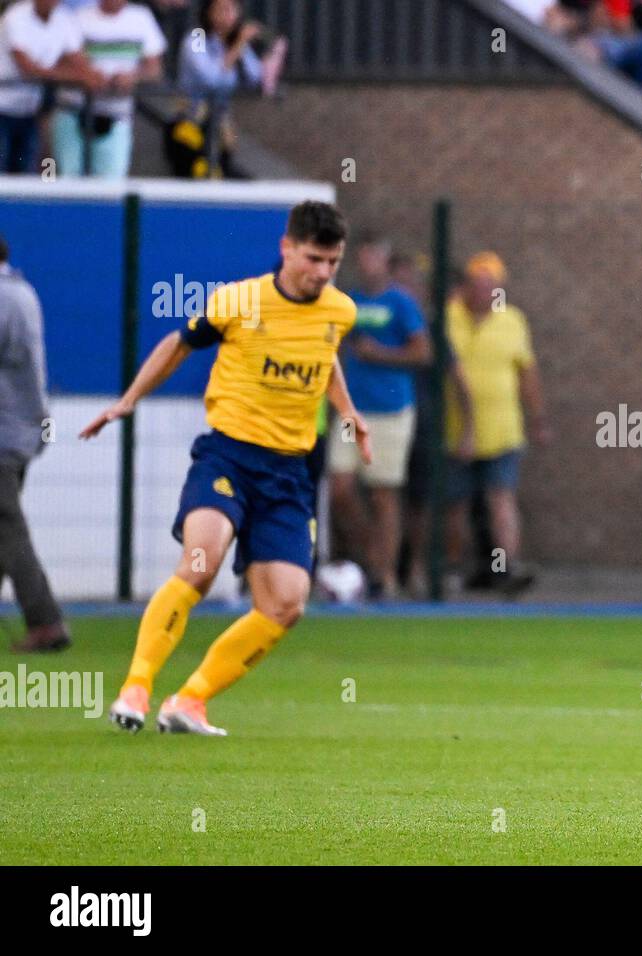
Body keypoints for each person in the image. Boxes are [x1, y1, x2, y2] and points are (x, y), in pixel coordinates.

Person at [81, 201, 371, 736]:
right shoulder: (238, 301)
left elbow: (323, 354)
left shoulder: (340, 311)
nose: (323, 273)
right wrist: (129, 400)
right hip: (229, 457)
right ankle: (136, 686)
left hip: (288, 475)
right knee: (200, 562)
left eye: (333, 262)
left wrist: (347, 408)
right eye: (314, 259)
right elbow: (178, 344)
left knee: (285, 605)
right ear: (287, 248)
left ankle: (189, 702)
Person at [328, 235, 470, 600]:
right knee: (340, 488)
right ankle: (370, 556)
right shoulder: (347, 302)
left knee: (384, 493)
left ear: (385, 262)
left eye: (373, 256)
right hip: (352, 408)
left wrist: (378, 354)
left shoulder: (402, 304)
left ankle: (386, 575)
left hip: (392, 410)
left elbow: (422, 354)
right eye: (360, 257)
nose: (366, 264)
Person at [444, 252, 550, 595]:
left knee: (500, 501)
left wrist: (537, 418)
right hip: (455, 430)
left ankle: (505, 569)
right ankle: (452, 571)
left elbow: (527, 373)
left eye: (491, 286)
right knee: (455, 504)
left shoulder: (512, 321)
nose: (485, 293)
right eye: (478, 285)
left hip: (503, 428)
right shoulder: (450, 317)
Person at [0, 234, 71, 653]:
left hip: (4, 433)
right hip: (22, 430)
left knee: (8, 526)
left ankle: (46, 622)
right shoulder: (22, 293)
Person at [171, 0, 287, 179]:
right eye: (221, 9)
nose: (227, 15)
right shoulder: (197, 36)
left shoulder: (234, 43)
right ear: (208, 13)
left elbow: (255, 78)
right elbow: (209, 78)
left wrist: (272, 53)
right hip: (190, 124)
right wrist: (238, 45)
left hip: (219, 125)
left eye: (232, 10)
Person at [52, 0, 165, 178]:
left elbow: (155, 69)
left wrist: (132, 77)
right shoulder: (78, 18)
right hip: (74, 111)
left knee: (111, 185)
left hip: (116, 114)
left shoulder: (141, 18)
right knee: (68, 181)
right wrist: (86, 75)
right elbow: (59, 61)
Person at [0, 0, 98, 173]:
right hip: (3, 108)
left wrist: (91, 75)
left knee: (27, 175)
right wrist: (76, 76)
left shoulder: (64, 19)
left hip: (30, 110)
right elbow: (28, 69)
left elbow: (80, 61)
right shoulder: (15, 17)